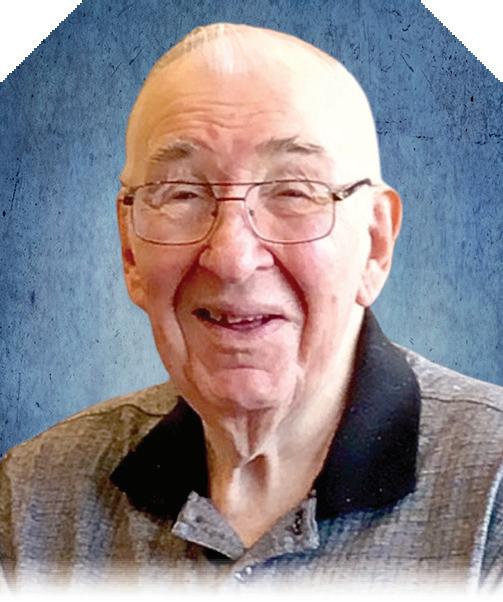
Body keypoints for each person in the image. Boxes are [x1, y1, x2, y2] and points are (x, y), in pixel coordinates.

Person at [0, 23, 502, 592]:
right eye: (182, 193)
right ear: (130, 250)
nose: (232, 258)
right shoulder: (33, 502)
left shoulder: (493, 494)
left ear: (375, 245)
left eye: (293, 191)